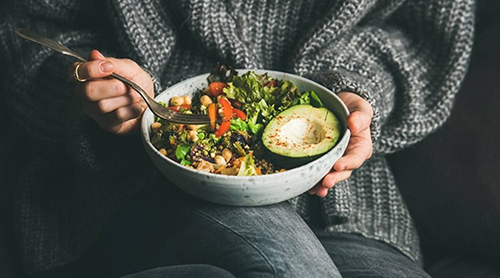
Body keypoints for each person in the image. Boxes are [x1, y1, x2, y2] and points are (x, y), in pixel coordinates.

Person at [0, 0, 475, 277]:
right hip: (141, 184)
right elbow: (31, 31)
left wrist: (352, 89)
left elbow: (423, 31)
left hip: (351, 201)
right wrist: (99, 93)